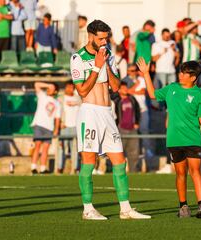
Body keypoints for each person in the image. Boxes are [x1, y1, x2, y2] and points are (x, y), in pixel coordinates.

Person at [70, 20, 150, 220]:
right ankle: (88, 209)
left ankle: (125, 209)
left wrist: (104, 63)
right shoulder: (77, 58)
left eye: (106, 37)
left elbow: (115, 87)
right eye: (100, 38)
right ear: (90, 36)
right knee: (89, 162)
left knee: (119, 161)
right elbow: (82, 91)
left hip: (108, 114)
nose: (104, 41)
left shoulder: (109, 56)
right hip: (89, 113)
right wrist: (96, 68)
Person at [137, 57, 201, 219]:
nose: (180, 75)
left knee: (195, 171)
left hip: (193, 139)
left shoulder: (199, 94)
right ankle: (183, 206)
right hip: (174, 139)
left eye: (184, 73)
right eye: (180, 72)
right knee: (180, 173)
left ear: (193, 77)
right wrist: (146, 74)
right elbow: (153, 94)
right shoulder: (172, 88)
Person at [30, 82, 61, 174]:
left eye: (52, 88)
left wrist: (56, 129)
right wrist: (48, 85)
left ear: (55, 91)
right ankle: (33, 167)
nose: (49, 89)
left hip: (49, 127)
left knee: (46, 148)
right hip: (39, 125)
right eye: (48, 88)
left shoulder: (57, 103)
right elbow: (36, 84)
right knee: (37, 145)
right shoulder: (42, 96)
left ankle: (43, 168)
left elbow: (57, 118)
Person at [114, 82, 140, 172]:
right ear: (119, 90)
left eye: (126, 88)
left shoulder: (132, 99)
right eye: (123, 88)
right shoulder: (117, 101)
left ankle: (134, 171)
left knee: (134, 153)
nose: (125, 89)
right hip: (121, 130)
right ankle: (117, 171)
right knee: (119, 152)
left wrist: (137, 123)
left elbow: (137, 110)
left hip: (132, 129)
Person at [58, 81, 81, 174]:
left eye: (71, 87)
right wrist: (60, 123)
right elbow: (57, 113)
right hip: (64, 127)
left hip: (75, 127)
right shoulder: (61, 99)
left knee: (75, 149)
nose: (69, 89)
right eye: (68, 87)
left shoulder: (78, 99)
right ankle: (59, 167)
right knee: (61, 148)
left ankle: (75, 168)